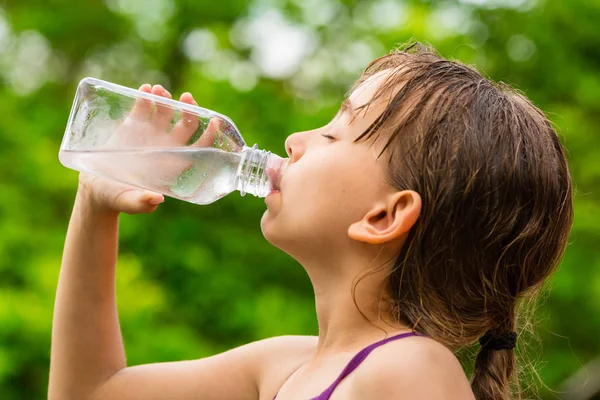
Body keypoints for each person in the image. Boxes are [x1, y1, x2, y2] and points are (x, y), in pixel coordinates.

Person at [48, 42, 573, 400]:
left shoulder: (411, 369)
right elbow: (92, 390)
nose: (296, 141)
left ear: (384, 215)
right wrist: (96, 200)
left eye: (333, 133)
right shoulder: (281, 367)